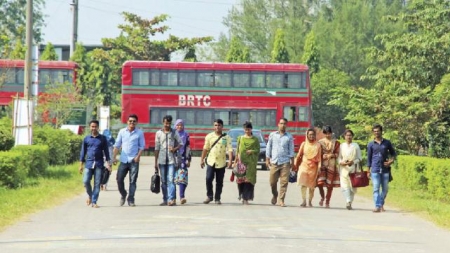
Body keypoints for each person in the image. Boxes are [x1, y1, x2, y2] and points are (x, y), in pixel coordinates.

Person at [112, 114, 145, 207]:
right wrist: (114, 157)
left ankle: (131, 199)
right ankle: (123, 194)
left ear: (136, 122)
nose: (132, 123)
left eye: (134, 121)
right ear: (127, 122)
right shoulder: (122, 132)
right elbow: (117, 145)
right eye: (130, 121)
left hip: (134, 160)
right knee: (119, 179)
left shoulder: (139, 133)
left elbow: (142, 146)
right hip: (123, 160)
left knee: (133, 181)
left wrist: (138, 156)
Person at [79, 120, 111, 208]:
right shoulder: (86, 139)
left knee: (97, 184)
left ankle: (94, 202)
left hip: (99, 164)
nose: (93, 128)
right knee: (85, 181)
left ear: (98, 127)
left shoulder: (103, 138)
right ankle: (90, 195)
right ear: (90, 127)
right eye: (92, 126)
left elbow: (106, 152)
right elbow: (83, 152)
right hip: (88, 163)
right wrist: (80, 165)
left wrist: (108, 164)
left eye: (95, 126)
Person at [200, 119, 232, 205]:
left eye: (219, 125)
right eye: (215, 125)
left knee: (219, 181)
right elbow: (205, 148)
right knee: (208, 178)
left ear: (222, 127)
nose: (217, 127)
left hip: (221, 162)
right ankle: (209, 196)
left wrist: (230, 161)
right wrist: (202, 160)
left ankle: (217, 198)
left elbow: (229, 149)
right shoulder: (209, 136)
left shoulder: (226, 137)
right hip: (211, 161)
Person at [154, 115, 183, 206]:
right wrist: (155, 162)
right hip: (161, 160)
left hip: (171, 160)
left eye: (169, 123)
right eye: (166, 123)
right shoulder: (158, 133)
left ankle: (171, 199)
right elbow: (156, 148)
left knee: (171, 179)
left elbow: (181, 143)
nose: (167, 125)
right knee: (163, 181)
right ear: (163, 122)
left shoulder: (174, 133)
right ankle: (165, 199)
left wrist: (174, 149)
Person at [265, 118, 295, 207]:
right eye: (281, 123)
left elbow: (291, 149)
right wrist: (267, 159)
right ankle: (275, 194)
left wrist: (292, 161)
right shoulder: (273, 135)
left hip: (285, 162)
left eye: (285, 124)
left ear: (287, 125)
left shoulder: (289, 136)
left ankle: (281, 200)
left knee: (284, 182)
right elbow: (268, 147)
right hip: (274, 161)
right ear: (278, 124)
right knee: (272, 182)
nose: (283, 125)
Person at [367, 124, 396, 213]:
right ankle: (377, 206)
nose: (376, 133)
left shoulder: (387, 143)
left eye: (378, 131)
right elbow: (369, 158)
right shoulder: (371, 144)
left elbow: (393, 153)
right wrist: (368, 170)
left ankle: (381, 203)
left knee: (385, 189)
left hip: (385, 169)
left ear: (381, 131)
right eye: (375, 131)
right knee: (376, 188)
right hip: (375, 169)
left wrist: (391, 161)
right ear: (373, 132)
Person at [233, 121, 260, 205]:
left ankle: (246, 198)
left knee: (248, 181)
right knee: (241, 180)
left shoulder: (255, 139)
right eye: (245, 129)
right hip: (241, 163)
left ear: (251, 129)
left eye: (248, 129)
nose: (247, 131)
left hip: (251, 163)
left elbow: (258, 150)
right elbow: (237, 150)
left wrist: (252, 151)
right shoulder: (240, 138)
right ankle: (241, 194)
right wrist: (235, 161)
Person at [295, 128, 322, 207]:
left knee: (311, 186)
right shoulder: (304, 144)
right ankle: (303, 200)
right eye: (310, 134)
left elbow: (319, 158)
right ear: (307, 135)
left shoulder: (318, 145)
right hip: (304, 166)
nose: (311, 136)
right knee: (303, 184)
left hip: (313, 167)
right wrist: (295, 164)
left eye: (313, 135)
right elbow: (299, 155)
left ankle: (310, 201)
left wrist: (319, 167)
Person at [338, 129, 362, 210]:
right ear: (344, 136)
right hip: (344, 169)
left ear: (352, 136)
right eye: (347, 135)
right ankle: (348, 201)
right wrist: (342, 162)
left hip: (353, 169)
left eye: (350, 135)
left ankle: (350, 202)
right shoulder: (342, 146)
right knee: (345, 186)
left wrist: (353, 162)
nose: (348, 137)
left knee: (352, 187)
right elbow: (339, 158)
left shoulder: (355, 146)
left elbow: (359, 158)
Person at [317, 126, 340, 208]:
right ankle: (322, 197)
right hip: (322, 164)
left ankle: (327, 201)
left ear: (331, 133)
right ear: (324, 133)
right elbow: (318, 153)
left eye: (329, 133)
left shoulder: (336, 142)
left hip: (332, 165)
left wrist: (332, 155)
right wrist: (323, 156)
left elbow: (338, 153)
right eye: (326, 133)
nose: (328, 135)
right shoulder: (320, 142)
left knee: (330, 185)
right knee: (320, 183)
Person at [174, 119, 191, 205]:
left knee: (183, 177)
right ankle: (172, 198)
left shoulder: (186, 135)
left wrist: (188, 159)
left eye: (181, 125)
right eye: (177, 125)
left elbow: (188, 147)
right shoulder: (172, 134)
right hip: (173, 158)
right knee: (172, 178)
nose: (179, 127)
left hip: (183, 158)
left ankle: (182, 197)